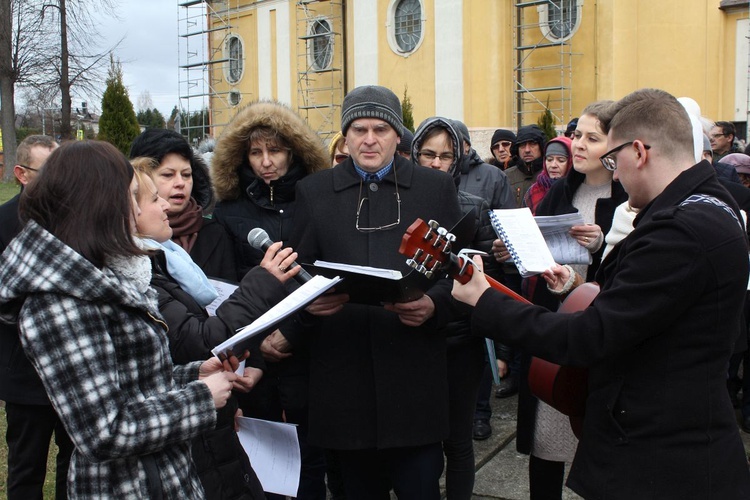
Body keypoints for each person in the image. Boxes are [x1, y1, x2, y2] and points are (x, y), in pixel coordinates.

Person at [453, 88, 750, 499]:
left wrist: (485, 301)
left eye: (613, 159)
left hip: (661, 462)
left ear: (640, 151)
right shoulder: (714, 204)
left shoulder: (679, 231)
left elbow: (587, 337)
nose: (615, 173)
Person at [0, 140, 239, 498]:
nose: (142, 203)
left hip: (162, 477)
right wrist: (200, 399)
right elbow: (104, 431)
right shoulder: (58, 301)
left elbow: (130, 381)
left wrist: (194, 374)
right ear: (98, 202)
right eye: (129, 193)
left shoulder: (103, 275)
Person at [274, 85, 463, 499]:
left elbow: (458, 274)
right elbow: (297, 274)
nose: (369, 139)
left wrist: (435, 305)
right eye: (359, 129)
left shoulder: (435, 189)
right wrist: (312, 300)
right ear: (346, 136)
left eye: (381, 128)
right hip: (345, 383)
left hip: (413, 379)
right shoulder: (314, 192)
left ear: (399, 136)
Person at [131, 158, 302, 499]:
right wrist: (263, 282)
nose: (167, 199)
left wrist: (248, 364)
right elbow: (199, 339)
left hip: (213, 422)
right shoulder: (141, 278)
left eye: (186, 175)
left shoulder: (168, 260)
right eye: (154, 196)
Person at [212, 99, 330, 499]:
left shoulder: (314, 202)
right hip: (251, 354)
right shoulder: (229, 211)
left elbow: (321, 277)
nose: (266, 161)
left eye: (275, 150)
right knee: (260, 453)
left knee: (311, 452)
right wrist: (256, 343)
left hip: (308, 347)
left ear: (293, 150)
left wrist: (291, 333)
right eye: (256, 152)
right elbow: (227, 286)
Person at [411, 117, 495, 499]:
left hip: (461, 341)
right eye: (428, 153)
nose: (436, 163)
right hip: (412, 338)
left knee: (458, 443)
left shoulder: (473, 208)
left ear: (458, 159)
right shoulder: (399, 201)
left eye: (445, 155)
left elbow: (487, 276)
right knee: (420, 444)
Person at [0, 135, 74, 500]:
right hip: (25, 376)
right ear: (21, 174)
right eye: (48, 172)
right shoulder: (1, 223)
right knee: (26, 469)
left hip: (73, 371)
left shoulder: (77, 220)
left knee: (73, 464)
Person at [129, 129, 236, 281]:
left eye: (186, 174)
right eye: (168, 175)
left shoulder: (215, 232)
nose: (180, 183)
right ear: (141, 178)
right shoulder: (128, 238)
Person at [523, 136, 573, 214]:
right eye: (549, 159)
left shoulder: (577, 190)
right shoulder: (533, 191)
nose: (553, 165)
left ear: (571, 162)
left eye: (561, 160)